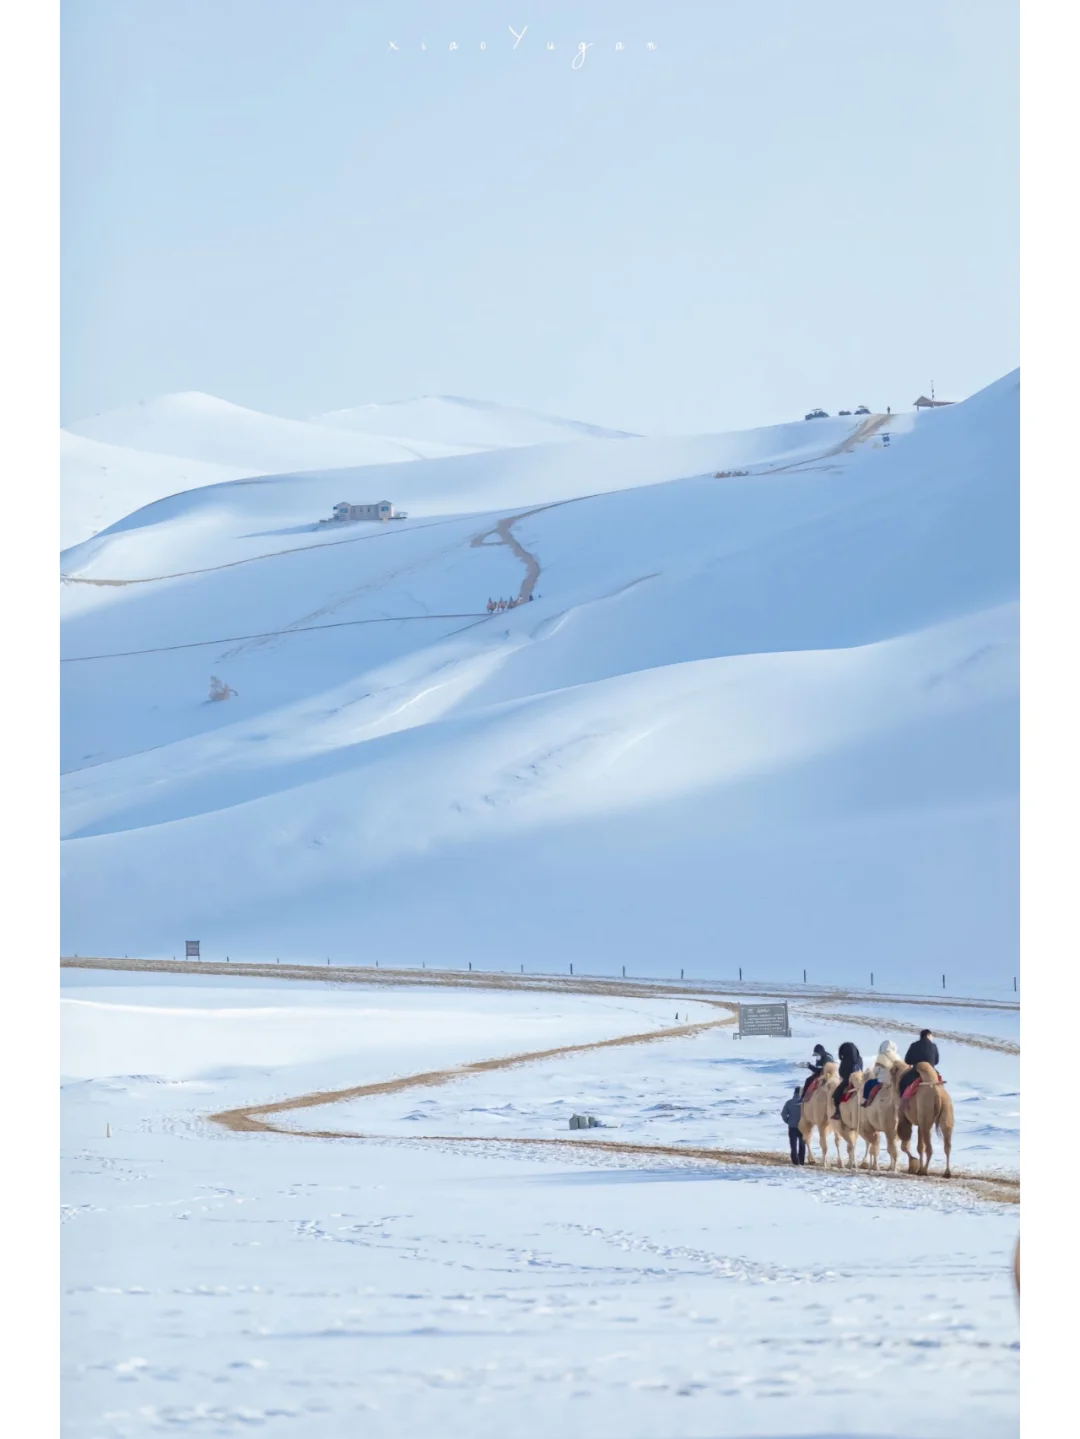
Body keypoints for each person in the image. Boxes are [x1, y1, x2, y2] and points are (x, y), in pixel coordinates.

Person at [898, 1029, 940, 1096]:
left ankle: (903, 1102)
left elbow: (907, 1060)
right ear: (928, 1035)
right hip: (932, 1071)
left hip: (916, 1072)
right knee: (940, 1082)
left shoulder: (914, 1045)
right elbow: (936, 1061)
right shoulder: (934, 1046)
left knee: (902, 1083)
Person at [832, 1040, 864, 1119]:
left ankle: (837, 1112)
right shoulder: (859, 1059)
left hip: (849, 1081)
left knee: (836, 1095)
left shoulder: (847, 1060)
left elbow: (842, 1073)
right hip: (860, 1080)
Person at [862, 1039, 900, 1104]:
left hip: (883, 1081)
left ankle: (866, 1101)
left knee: (868, 1083)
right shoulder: (898, 1057)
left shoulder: (881, 1056)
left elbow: (875, 1071)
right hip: (895, 1082)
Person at [781, 1086, 805, 1164]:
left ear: (794, 1093)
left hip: (792, 1127)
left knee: (793, 1145)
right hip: (802, 1127)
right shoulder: (805, 1103)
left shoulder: (789, 1102)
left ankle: (795, 1162)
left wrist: (788, 1121)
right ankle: (801, 1161)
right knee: (802, 1145)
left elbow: (783, 1114)